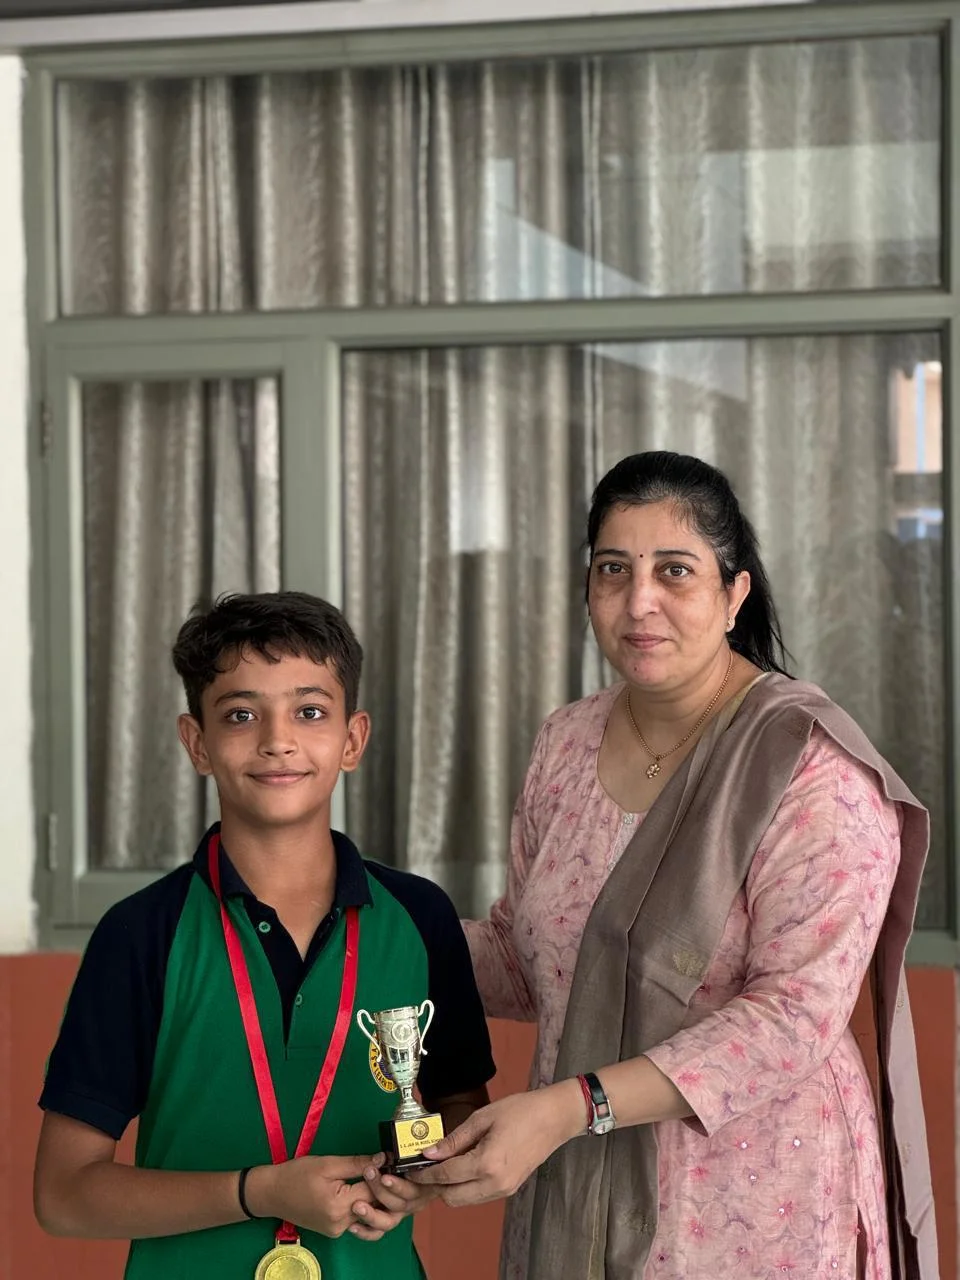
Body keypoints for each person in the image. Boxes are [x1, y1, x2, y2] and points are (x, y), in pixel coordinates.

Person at [411, 452, 936, 1280]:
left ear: (734, 594)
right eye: (613, 570)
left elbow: (793, 1017)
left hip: (755, 1202)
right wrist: (379, 919)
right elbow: (531, 959)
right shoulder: (567, 741)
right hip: (575, 1183)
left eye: (675, 571)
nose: (639, 601)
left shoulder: (809, 769)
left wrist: (572, 1107)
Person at [34, 591, 494, 1279]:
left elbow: (459, 1108)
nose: (278, 739)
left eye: (309, 711)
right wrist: (256, 1193)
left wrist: (422, 1179)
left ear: (352, 740)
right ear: (198, 744)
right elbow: (64, 1195)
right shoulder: (142, 933)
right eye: (241, 715)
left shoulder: (420, 916)